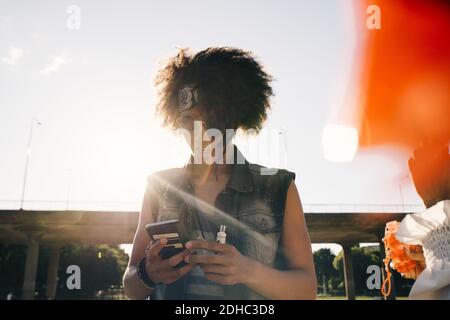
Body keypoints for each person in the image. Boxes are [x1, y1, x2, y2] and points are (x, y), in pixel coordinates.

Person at [123, 47, 317, 300]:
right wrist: (148, 273)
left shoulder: (279, 186)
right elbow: (131, 287)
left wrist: (248, 272)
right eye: (190, 120)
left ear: (236, 120)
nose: (203, 132)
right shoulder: (158, 186)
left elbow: (307, 292)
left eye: (214, 120)